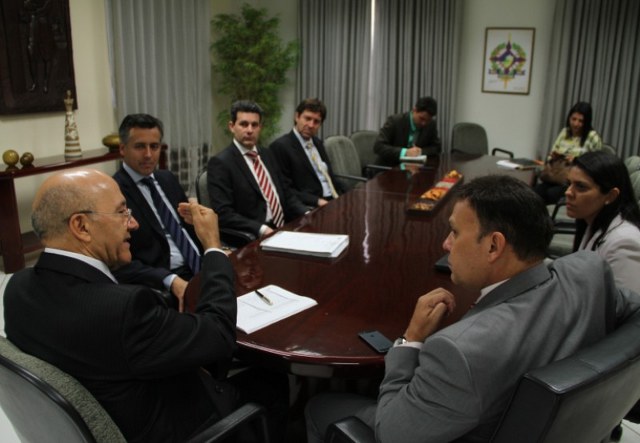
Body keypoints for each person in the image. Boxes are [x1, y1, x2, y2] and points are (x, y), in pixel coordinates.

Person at [305, 175, 640, 443]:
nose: (446, 244)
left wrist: (411, 341)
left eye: (454, 232)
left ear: (494, 245)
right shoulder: (589, 272)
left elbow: (392, 432)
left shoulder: (459, 350)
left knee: (321, 405)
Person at [3, 169, 288, 442]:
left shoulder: (17, 288)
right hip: (182, 426)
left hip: (114, 411)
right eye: (121, 212)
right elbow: (218, 335)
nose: (133, 223)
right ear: (81, 226)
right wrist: (214, 248)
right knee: (273, 381)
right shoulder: (123, 309)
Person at [113, 113, 199, 310]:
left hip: (199, 265)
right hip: (165, 279)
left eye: (154, 146)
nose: (148, 155)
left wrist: (214, 250)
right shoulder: (114, 192)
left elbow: (188, 228)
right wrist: (169, 279)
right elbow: (118, 263)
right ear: (122, 149)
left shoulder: (166, 178)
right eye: (140, 146)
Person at [207, 100, 308, 239]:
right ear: (232, 126)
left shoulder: (267, 153)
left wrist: (307, 213)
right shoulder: (220, 163)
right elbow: (223, 213)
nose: (250, 130)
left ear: (260, 127)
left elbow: (286, 193)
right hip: (254, 235)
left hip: (285, 227)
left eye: (254, 125)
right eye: (244, 124)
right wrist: (261, 229)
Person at [565, 151, 640, 293]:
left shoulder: (625, 243)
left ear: (610, 196)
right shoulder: (591, 221)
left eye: (581, 187)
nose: (568, 192)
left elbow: (628, 304)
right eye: (569, 184)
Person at [270, 98, 345, 207]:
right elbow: (285, 189)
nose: (311, 125)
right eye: (307, 118)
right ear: (297, 117)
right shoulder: (280, 147)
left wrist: (350, 192)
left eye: (316, 122)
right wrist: (318, 201)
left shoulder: (318, 143)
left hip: (333, 199)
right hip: (311, 204)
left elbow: (329, 177)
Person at [535, 101, 603, 204]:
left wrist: (576, 160)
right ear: (569, 118)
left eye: (580, 121)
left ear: (587, 122)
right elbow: (552, 153)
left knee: (552, 194)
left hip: (574, 182)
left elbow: (596, 166)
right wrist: (554, 156)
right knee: (536, 192)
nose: (576, 124)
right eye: (573, 119)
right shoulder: (565, 132)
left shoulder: (593, 137)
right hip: (556, 176)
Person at [374, 96, 441, 167]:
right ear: (414, 110)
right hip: (389, 168)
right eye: (421, 119)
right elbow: (378, 146)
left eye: (428, 120)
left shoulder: (431, 124)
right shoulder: (395, 121)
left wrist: (420, 151)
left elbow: (437, 148)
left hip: (414, 168)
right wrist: (405, 152)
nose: (424, 123)